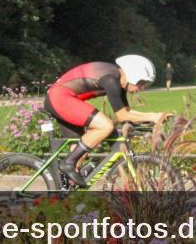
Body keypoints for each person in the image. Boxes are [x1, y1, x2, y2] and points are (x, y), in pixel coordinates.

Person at [44, 55, 168, 186]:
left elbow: (127, 112)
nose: (142, 88)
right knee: (105, 126)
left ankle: (64, 190)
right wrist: (153, 116)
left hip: (61, 97)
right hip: (60, 97)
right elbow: (122, 116)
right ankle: (68, 163)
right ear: (133, 74)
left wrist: (151, 120)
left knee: (80, 151)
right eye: (142, 83)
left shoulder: (118, 82)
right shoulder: (111, 80)